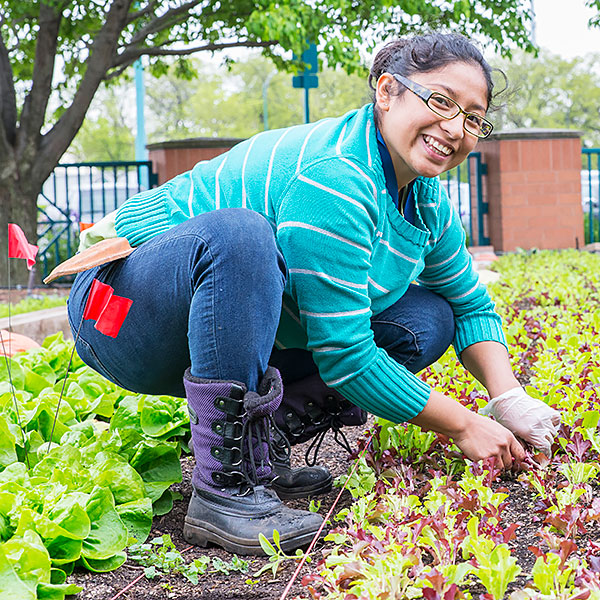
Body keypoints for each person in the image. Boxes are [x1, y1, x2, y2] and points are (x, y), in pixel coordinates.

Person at [66, 32, 561, 556]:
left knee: (427, 318)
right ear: (387, 91)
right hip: (121, 313)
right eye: (440, 101)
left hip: (217, 326)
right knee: (242, 235)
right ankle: (221, 492)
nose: (455, 128)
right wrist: (462, 424)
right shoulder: (334, 177)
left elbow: (468, 304)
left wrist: (508, 399)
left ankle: (256, 441)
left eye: (473, 117)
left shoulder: (425, 197)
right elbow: (347, 356)